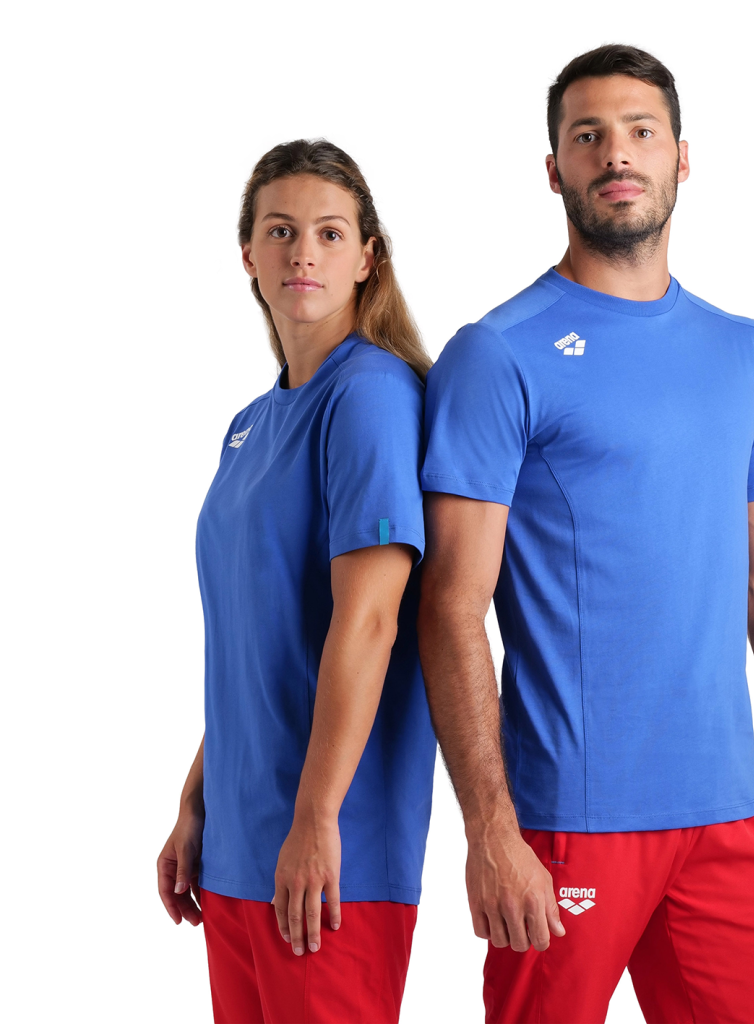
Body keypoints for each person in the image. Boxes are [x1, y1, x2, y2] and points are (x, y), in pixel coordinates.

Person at [418, 45, 754, 1024]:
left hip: (725, 816)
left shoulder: (740, 349)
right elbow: (449, 606)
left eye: (639, 132)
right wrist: (489, 825)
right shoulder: (497, 354)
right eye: (588, 136)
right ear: (555, 170)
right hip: (567, 825)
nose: (616, 154)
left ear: (681, 157)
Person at [156, 139, 436, 1024]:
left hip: (330, 855)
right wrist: (197, 798)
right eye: (280, 231)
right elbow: (259, 639)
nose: (302, 252)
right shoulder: (250, 424)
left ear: (367, 257)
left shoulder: (371, 397)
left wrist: (317, 819)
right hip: (241, 847)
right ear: (249, 255)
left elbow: (371, 624)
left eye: (329, 232)